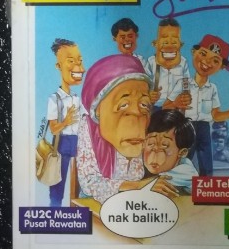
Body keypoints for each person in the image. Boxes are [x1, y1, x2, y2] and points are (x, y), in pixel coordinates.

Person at [76, 54, 177, 203]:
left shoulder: (145, 127)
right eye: (123, 105)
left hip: (133, 201)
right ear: (98, 109)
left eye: (144, 104)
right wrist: (137, 186)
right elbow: (89, 183)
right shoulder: (88, 128)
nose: (137, 115)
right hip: (95, 203)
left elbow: (141, 174)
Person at [184, 33, 229, 175]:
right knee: (182, 163)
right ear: (194, 52)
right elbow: (170, 106)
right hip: (185, 127)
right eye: (203, 54)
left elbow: (215, 115)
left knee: (206, 165)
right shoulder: (184, 83)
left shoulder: (212, 89)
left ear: (221, 67)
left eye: (215, 60)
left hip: (204, 128)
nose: (207, 62)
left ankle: (206, 186)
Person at [45, 38, 85, 207]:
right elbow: (53, 129)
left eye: (79, 60)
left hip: (78, 142)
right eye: (71, 61)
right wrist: (66, 121)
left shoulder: (77, 98)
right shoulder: (54, 99)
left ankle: (77, 210)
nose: (78, 66)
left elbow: (87, 119)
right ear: (59, 66)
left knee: (81, 182)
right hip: (61, 143)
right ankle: (55, 212)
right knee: (58, 183)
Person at [142, 108, 197, 193]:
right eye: (151, 143)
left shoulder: (185, 176)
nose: (155, 152)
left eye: (164, 145)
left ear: (182, 152)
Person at [144, 17, 192, 108]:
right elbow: (144, 85)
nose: (169, 45)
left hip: (176, 108)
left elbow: (186, 85)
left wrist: (187, 96)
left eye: (174, 42)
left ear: (180, 44)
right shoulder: (151, 62)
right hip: (156, 108)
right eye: (165, 42)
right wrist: (149, 94)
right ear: (155, 43)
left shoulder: (183, 63)